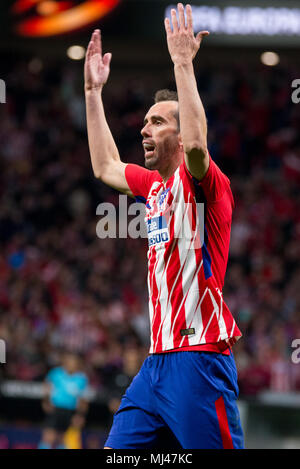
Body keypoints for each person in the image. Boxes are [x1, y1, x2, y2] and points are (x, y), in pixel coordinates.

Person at [84, 3, 244, 449]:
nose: (145, 130)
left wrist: (182, 64)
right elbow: (105, 166)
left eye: (157, 122)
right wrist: (93, 94)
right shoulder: (153, 187)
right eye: (145, 122)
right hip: (154, 366)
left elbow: (197, 143)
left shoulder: (205, 183)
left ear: (178, 134)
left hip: (198, 362)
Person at [38, 352, 89, 449]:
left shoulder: (81, 378)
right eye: (69, 361)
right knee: (49, 436)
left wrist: (80, 415)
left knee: (63, 438)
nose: (71, 364)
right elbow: (47, 387)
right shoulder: (55, 373)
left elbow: (83, 399)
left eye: (74, 362)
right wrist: (45, 401)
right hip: (55, 409)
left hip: (70, 411)